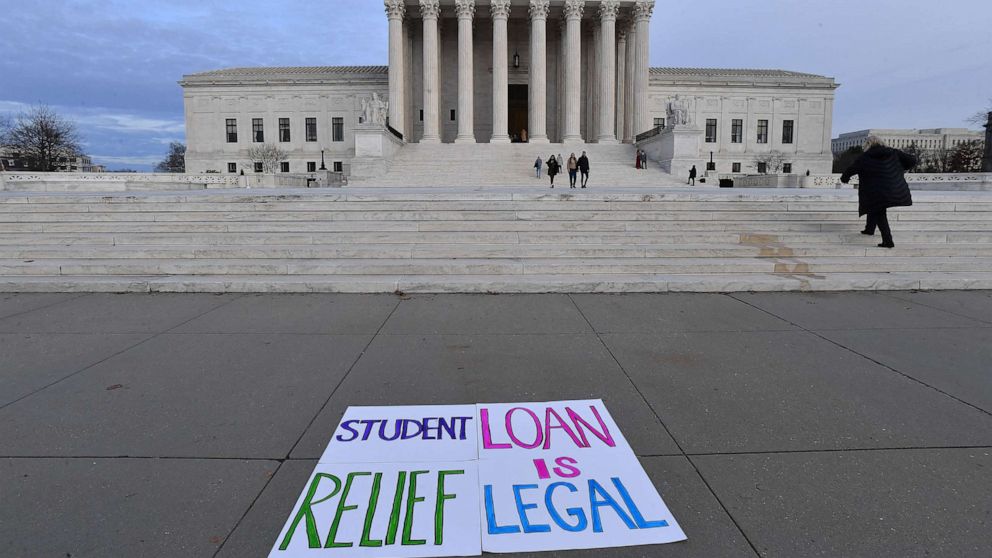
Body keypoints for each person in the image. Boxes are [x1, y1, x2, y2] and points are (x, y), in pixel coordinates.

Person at [841, 135, 916, 248]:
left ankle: (888, 241)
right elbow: (912, 160)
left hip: (875, 190)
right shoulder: (894, 152)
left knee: (879, 211)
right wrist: (900, 167)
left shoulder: (865, 157)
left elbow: (851, 169)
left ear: (867, 145)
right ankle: (869, 229)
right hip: (893, 187)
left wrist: (844, 179)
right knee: (874, 206)